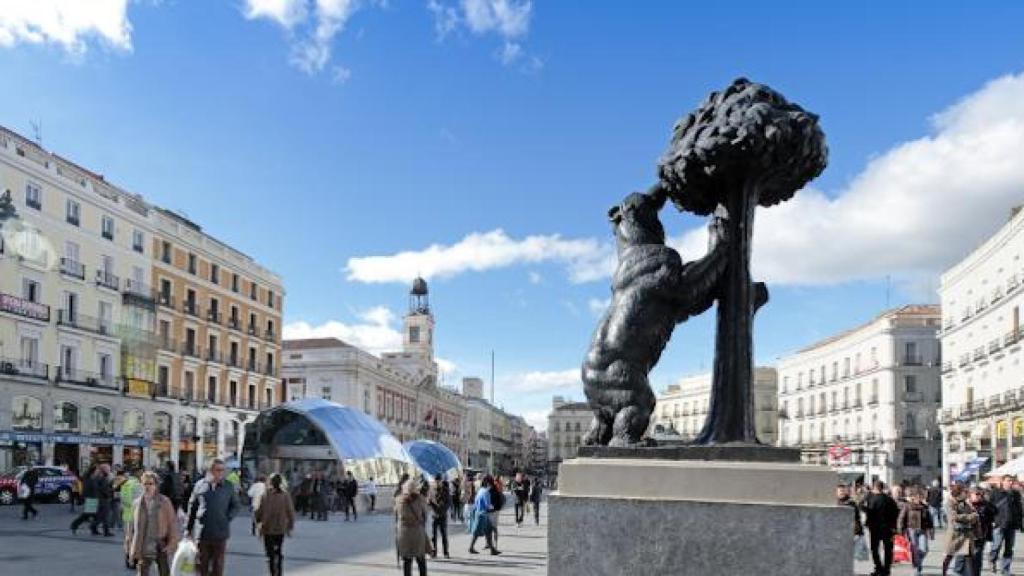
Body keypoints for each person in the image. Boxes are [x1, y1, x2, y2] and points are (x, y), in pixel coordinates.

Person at [186, 459, 240, 576]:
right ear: (210, 471)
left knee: (217, 567)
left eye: (223, 470)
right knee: (202, 565)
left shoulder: (228, 486)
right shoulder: (200, 485)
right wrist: (188, 528)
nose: (221, 473)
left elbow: (236, 506)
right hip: (203, 532)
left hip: (220, 533)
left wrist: (227, 518)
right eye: (218, 470)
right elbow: (192, 507)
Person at [129, 471, 180, 576]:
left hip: (160, 543)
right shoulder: (137, 503)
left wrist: (172, 543)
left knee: (164, 572)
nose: (147, 486)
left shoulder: (164, 501)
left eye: (151, 484)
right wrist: (130, 547)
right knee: (142, 572)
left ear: (156, 485)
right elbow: (131, 528)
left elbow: (172, 523)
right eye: (145, 483)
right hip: (143, 543)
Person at [255, 474, 295, 576]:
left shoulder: (266, 494)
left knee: (270, 553)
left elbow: (259, 510)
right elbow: (290, 511)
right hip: (280, 528)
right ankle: (279, 571)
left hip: (268, 528)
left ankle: (273, 571)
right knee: (278, 550)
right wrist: (290, 526)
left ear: (271, 482)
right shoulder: (285, 495)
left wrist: (258, 522)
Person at [861, 479, 899, 576]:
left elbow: (865, 508)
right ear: (882, 488)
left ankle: (878, 568)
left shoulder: (870, 498)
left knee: (874, 548)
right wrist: (894, 526)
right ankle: (886, 570)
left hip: (874, 527)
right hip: (888, 528)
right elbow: (896, 512)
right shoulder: (889, 499)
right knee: (888, 549)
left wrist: (865, 509)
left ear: (874, 487)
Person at [395, 478, 430, 576]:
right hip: (417, 532)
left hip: (404, 533)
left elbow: (396, 516)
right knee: (421, 559)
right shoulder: (420, 499)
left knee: (407, 561)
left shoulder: (398, 499)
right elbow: (425, 515)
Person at [990, 475, 1023, 575]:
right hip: (999, 524)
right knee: (996, 546)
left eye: (1012, 481)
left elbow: (1019, 509)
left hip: (1011, 525)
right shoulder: (995, 492)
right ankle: (992, 560)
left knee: (1009, 548)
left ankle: (1005, 569)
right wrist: (992, 521)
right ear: (1003, 481)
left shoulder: (1015, 494)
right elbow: (990, 508)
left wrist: (1020, 524)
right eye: (1008, 480)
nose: (1011, 483)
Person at [897, 487, 933, 576]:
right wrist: (900, 531)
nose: (919, 498)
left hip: (922, 530)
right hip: (911, 530)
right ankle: (917, 568)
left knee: (924, 549)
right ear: (913, 497)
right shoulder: (908, 506)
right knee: (915, 550)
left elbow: (929, 520)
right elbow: (901, 518)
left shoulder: (925, 507)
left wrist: (931, 532)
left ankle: (917, 561)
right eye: (917, 497)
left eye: (920, 497)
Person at [944, 483, 978, 576]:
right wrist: (970, 517)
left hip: (966, 534)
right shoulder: (950, 502)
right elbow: (954, 517)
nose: (967, 494)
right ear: (959, 492)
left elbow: (974, 515)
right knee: (949, 556)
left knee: (968, 557)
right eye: (965, 492)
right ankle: (945, 572)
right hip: (955, 533)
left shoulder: (966, 503)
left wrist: (972, 515)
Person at [469, 475, 500, 555]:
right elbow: (488, 505)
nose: (491, 485)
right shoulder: (486, 492)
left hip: (478, 513)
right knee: (477, 532)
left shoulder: (480, 491)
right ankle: (471, 547)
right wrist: (493, 507)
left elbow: (475, 502)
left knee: (487, 531)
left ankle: (492, 549)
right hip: (483, 514)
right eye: (491, 483)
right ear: (488, 483)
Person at [967, 486, 995, 576]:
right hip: (967, 535)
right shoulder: (965, 504)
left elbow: (994, 513)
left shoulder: (985, 505)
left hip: (980, 535)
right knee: (967, 558)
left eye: (981, 494)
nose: (979, 496)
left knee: (977, 557)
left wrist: (986, 502)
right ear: (970, 494)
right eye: (977, 494)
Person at [121, 468, 144, 569]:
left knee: (128, 538)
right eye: (141, 473)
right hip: (136, 515)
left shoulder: (126, 484)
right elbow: (140, 501)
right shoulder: (137, 485)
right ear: (138, 473)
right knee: (136, 539)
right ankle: (134, 560)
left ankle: (128, 558)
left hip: (127, 515)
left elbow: (123, 499)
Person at [429, 474, 451, 559]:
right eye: (436, 481)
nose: (437, 482)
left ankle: (445, 552)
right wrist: (430, 503)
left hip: (442, 515)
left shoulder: (445, 490)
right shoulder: (432, 490)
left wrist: (441, 510)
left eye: (438, 481)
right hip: (434, 515)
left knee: (444, 534)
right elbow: (429, 501)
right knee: (433, 536)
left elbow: (448, 503)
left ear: (441, 481)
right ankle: (434, 552)